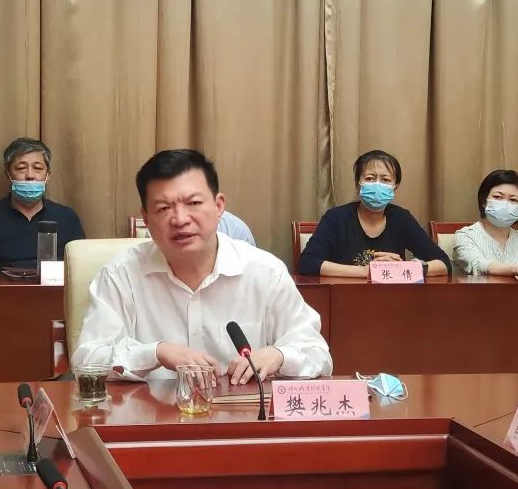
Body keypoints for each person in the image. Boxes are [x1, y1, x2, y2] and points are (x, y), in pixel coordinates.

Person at [72, 149, 331, 383]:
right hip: (151, 414)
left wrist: (278, 355)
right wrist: (155, 353)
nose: (180, 219)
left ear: (219, 206)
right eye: (163, 208)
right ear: (146, 219)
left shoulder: (265, 272)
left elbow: (317, 354)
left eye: (194, 203)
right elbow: (87, 360)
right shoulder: (121, 274)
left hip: (242, 414)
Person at [296, 149, 450, 277]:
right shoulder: (335, 218)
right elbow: (307, 263)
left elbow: (444, 263)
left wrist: (405, 268)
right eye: (370, 178)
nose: (378, 185)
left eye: (386, 180)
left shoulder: (402, 218)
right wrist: (367, 271)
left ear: (395, 187)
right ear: (358, 185)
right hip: (345, 296)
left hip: (392, 298)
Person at [0, 137, 85, 276]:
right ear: (8, 174)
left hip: (53, 289)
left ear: (48, 175)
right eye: (21, 168)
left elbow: (81, 273)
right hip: (1, 289)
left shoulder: (67, 218)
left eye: (37, 168)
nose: (30, 175)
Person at [453, 169, 518, 281]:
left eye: (513, 200)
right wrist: (514, 269)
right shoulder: (466, 236)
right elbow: (478, 264)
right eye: (497, 197)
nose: (505, 204)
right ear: (484, 201)